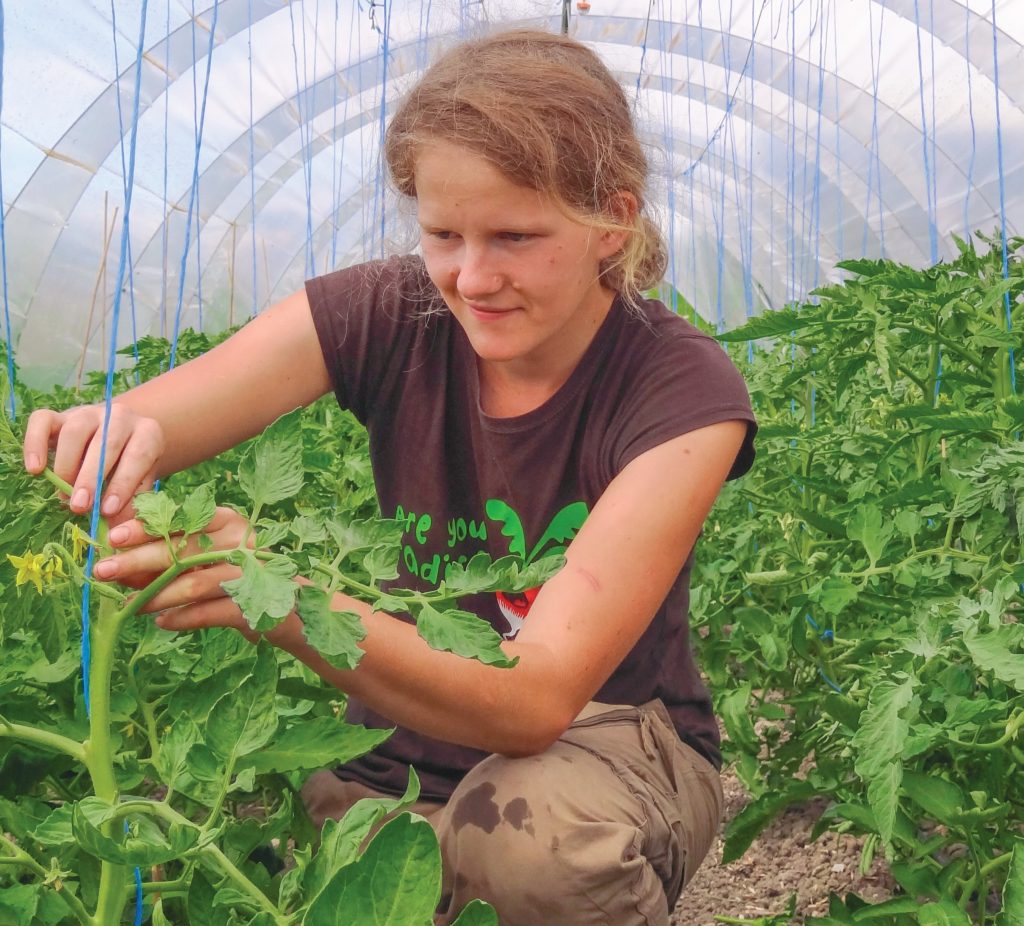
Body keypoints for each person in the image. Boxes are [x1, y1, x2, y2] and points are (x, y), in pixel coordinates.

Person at [23, 29, 756, 926]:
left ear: (613, 220)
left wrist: (278, 593)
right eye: (442, 234)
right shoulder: (390, 311)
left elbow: (534, 701)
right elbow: (156, 418)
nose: (471, 277)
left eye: (515, 237)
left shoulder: (678, 389)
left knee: (529, 850)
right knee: (292, 868)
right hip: (399, 755)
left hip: (601, 746)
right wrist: (94, 439)